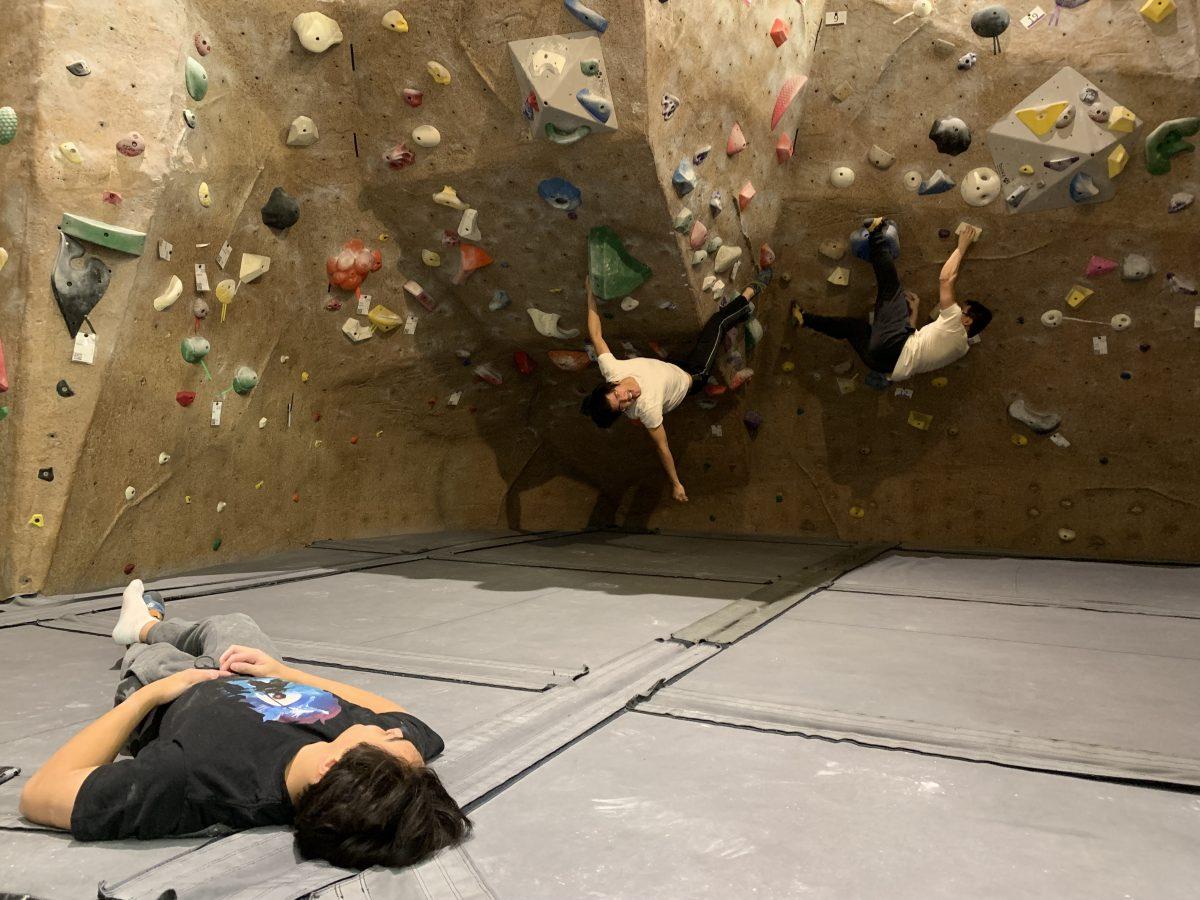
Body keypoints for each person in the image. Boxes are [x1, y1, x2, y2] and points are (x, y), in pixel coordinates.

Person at [18, 579, 470, 870]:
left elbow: (41, 794)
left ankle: (144, 633)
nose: (391, 731)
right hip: (258, 677)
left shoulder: (192, 781)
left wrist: (152, 696)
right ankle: (151, 623)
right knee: (236, 624)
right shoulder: (371, 767)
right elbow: (405, 718)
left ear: (329, 767)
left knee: (153, 661)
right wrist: (285, 672)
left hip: (172, 694)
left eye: (389, 740)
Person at [579, 270, 771, 502]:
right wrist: (676, 483)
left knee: (671, 360)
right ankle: (751, 293)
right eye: (623, 406)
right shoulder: (648, 410)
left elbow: (596, 335)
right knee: (717, 324)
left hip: (670, 369)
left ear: (612, 385)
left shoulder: (613, 370)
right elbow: (662, 448)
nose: (627, 398)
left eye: (618, 395)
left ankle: (671, 360)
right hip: (693, 376)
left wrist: (590, 293)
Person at [792, 219, 992, 381]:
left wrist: (962, 247)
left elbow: (946, 279)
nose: (957, 309)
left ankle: (876, 232)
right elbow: (917, 350)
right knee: (852, 328)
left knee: (892, 290)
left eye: (962, 310)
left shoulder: (955, 326)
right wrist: (913, 313)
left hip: (893, 348)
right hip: (880, 363)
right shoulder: (962, 348)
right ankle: (804, 319)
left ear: (966, 320)